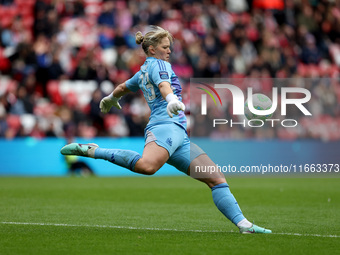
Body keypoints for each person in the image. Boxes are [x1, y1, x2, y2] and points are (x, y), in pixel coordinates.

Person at [61, 26, 271, 234]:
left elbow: (124, 87)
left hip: (179, 133)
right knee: (147, 167)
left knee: (216, 179)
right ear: (152, 49)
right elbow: (164, 86)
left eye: (169, 47)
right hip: (165, 128)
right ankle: (93, 151)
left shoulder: (143, 71)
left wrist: (110, 98)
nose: (169, 51)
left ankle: (244, 225)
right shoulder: (159, 65)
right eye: (165, 47)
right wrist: (171, 100)